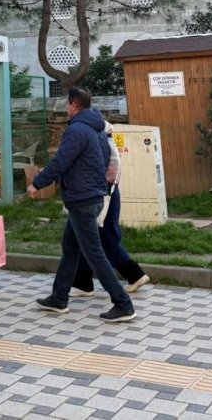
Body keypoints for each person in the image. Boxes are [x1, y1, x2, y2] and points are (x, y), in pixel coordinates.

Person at [28, 88, 136, 323]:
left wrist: (37, 182)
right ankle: (58, 298)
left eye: (67, 105)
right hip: (93, 197)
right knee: (70, 246)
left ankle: (123, 303)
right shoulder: (97, 129)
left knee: (94, 254)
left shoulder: (77, 130)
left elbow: (61, 161)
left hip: (82, 200)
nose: (66, 109)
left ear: (75, 105)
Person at [71, 120, 150, 297]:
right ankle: (83, 282)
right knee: (89, 237)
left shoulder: (96, 141)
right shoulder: (105, 139)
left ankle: (133, 274)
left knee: (101, 238)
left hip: (100, 195)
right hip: (106, 193)